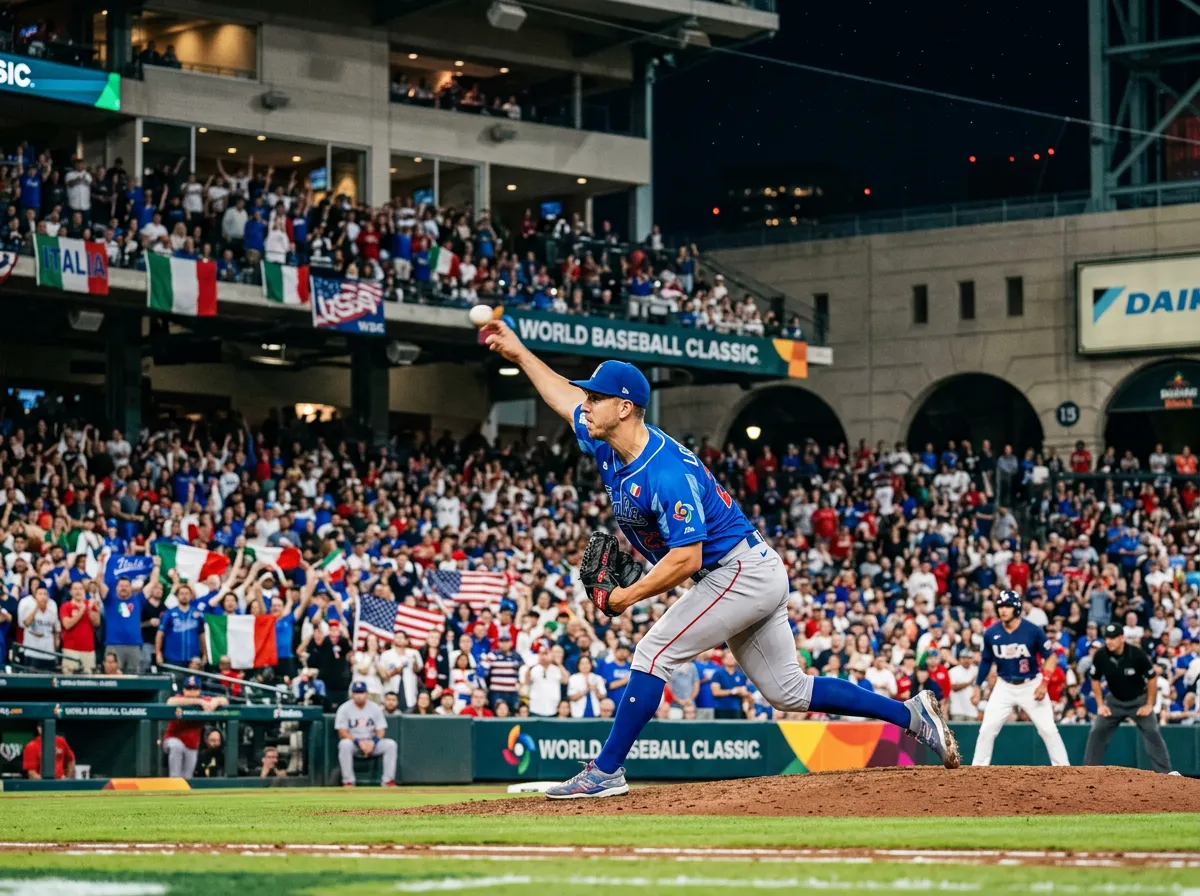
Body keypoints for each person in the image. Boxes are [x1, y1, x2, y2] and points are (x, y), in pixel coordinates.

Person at [482, 320, 959, 799]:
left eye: (596, 398)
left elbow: (686, 560)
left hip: (738, 571)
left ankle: (606, 771)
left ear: (624, 408)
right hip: (748, 569)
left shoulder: (665, 471)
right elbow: (563, 397)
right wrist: (520, 351)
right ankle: (911, 715)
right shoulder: (608, 442)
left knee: (653, 653)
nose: (584, 405)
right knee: (786, 691)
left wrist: (626, 596)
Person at [970, 590, 1070, 767]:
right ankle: (977, 770)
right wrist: (977, 685)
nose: (1003, 610)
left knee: (1048, 729)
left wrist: (1044, 683)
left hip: (1030, 683)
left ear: (1016, 608)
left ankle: (1064, 768)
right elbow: (986, 660)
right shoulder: (991, 633)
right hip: (1004, 685)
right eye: (1000, 606)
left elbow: (1051, 657)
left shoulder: (1032, 630)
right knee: (987, 729)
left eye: (1007, 606)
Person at [1084, 622, 1173, 773]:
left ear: (1122, 638)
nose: (1109, 641)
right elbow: (1095, 679)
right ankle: (1087, 773)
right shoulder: (1101, 655)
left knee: (1152, 732)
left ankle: (1166, 774)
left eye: (1113, 638)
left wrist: (1149, 705)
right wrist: (1100, 704)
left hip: (1138, 701)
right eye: (1107, 638)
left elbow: (1152, 678)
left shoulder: (1136, 654)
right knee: (1096, 731)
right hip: (1114, 702)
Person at [163, 675, 228, 779]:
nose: (191, 692)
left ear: (199, 690)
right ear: (183, 690)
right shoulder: (180, 699)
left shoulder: (204, 699)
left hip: (192, 745)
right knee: (177, 747)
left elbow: (224, 700)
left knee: (187, 778)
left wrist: (214, 702)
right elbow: (171, 701)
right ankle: (173, 781)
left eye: (195, 689)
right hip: (172, 739)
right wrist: (200, 702)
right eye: (189, 688)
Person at [334, 680, 398, 787]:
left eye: (361, 692)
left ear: (366, 694)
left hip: (371, 743)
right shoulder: (344, 708)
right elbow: (341, 731)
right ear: (352, 694)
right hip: (353, 743)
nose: (359, 696)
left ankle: (388, 781)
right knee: (344, 744)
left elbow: (381, 730)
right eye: (356, 692)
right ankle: (348, 781)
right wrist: (358, 742)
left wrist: (373, 742)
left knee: (390, 745)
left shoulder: (375, 708)